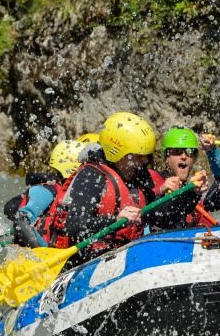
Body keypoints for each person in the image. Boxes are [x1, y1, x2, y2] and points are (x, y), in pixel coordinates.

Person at [57, 112, 207, 263]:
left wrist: (191, 193)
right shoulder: (91, 176)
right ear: (117, 153)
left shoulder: (138, 176)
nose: (143, 162)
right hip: (88, 261)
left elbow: (162, 218)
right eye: (137, 156)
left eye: (146, 156)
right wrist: (115, 220)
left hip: (126, 256)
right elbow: (74, 225)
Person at [4, 139, 89, 247]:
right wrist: (42, 249)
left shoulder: (71, 194)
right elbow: (21, 220)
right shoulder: (47, 190)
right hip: (37, 257)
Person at [154, 127, 210, 228]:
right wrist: (162, 191)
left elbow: (183, 210)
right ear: (166, 158)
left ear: (194, 159)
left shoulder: (189, 187)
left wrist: (195, 193)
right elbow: (161, 220)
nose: (184, 156)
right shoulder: (156, 181)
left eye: (189, 152)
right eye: (177, 152)